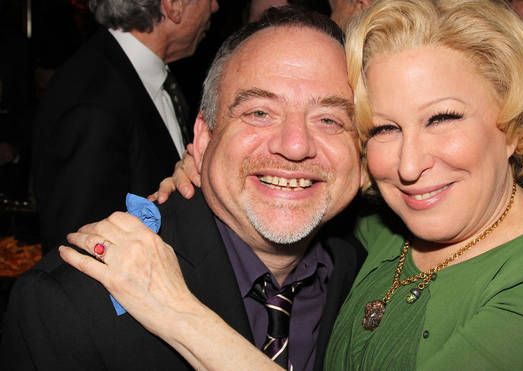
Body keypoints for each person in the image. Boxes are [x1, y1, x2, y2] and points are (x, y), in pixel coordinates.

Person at [52, 0, 523, 369]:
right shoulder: (379, 234)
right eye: (383, 128)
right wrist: (204, 169)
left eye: (443, 118)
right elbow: (293, 190)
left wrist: (177, 310)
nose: (408, 163)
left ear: (514, 126)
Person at [1, 7, 364, 370]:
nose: (296, 145)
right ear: (203, 140)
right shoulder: (73, 306)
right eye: (259, 113)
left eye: (329, 119)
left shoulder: (366, 278)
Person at [32, 0, 218, 253]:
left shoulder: (141, 77)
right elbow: (81, 251)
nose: (215, 6)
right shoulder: (95, 103)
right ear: (174, 5)